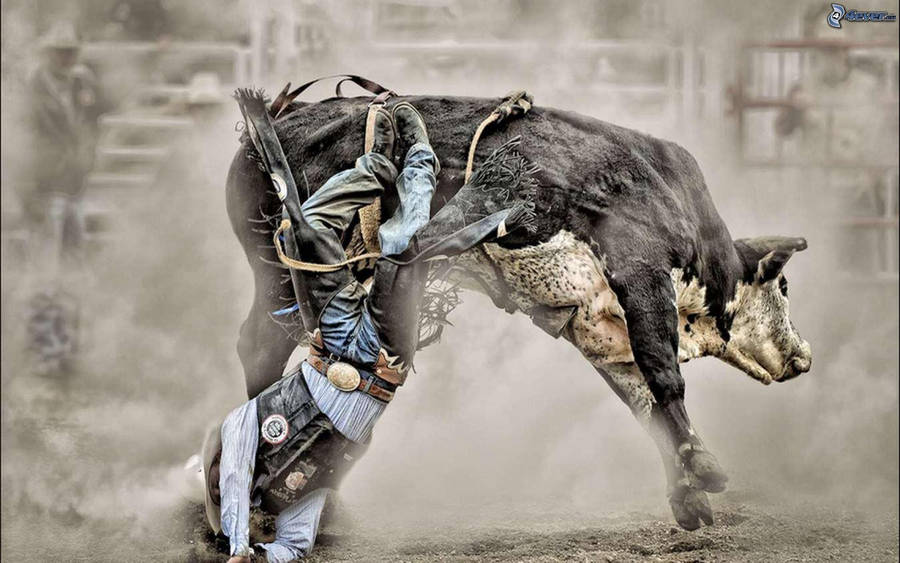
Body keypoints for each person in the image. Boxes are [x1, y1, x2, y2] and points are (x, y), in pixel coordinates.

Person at [202, 98, 534, 562]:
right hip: (378, 361)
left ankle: (378, 167)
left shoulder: (240, 431)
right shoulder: (296, 495)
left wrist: (238, 543)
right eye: (219, 487)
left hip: (333, 341)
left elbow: (236, 472)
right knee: (402, 247)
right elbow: (295, 546)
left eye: (216, 480)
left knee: (306, 224)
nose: (222, 481)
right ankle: (441, 174)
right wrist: (259, 556)